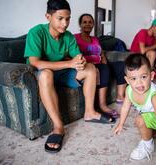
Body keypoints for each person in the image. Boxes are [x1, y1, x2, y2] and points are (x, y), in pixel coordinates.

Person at [24, 0, 115, 154]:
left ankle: (90, 112)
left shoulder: (68, 36)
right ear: (48, 16)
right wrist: (70, 64)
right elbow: (35, 63)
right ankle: (58, 127)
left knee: (91, 68)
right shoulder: (36, 32)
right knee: (46, 74)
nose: (65, 23)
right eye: (60, 18)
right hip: (43, 74)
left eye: (68, 19)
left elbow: (77, 56)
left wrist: (80, 61)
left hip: (62, 72)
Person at [74, 13, 127, 118]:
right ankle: (102, 106)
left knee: (121, 65)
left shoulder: (95, 39)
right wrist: (104, 66)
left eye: (90, 22)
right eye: (84, 22)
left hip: (99, 63)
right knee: (104, 69)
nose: (88, 24)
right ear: (80, 25)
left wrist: (104, 61)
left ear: (93, 24)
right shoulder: (75, 38)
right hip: (88, 66)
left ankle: (120, 96)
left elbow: (101, 53)